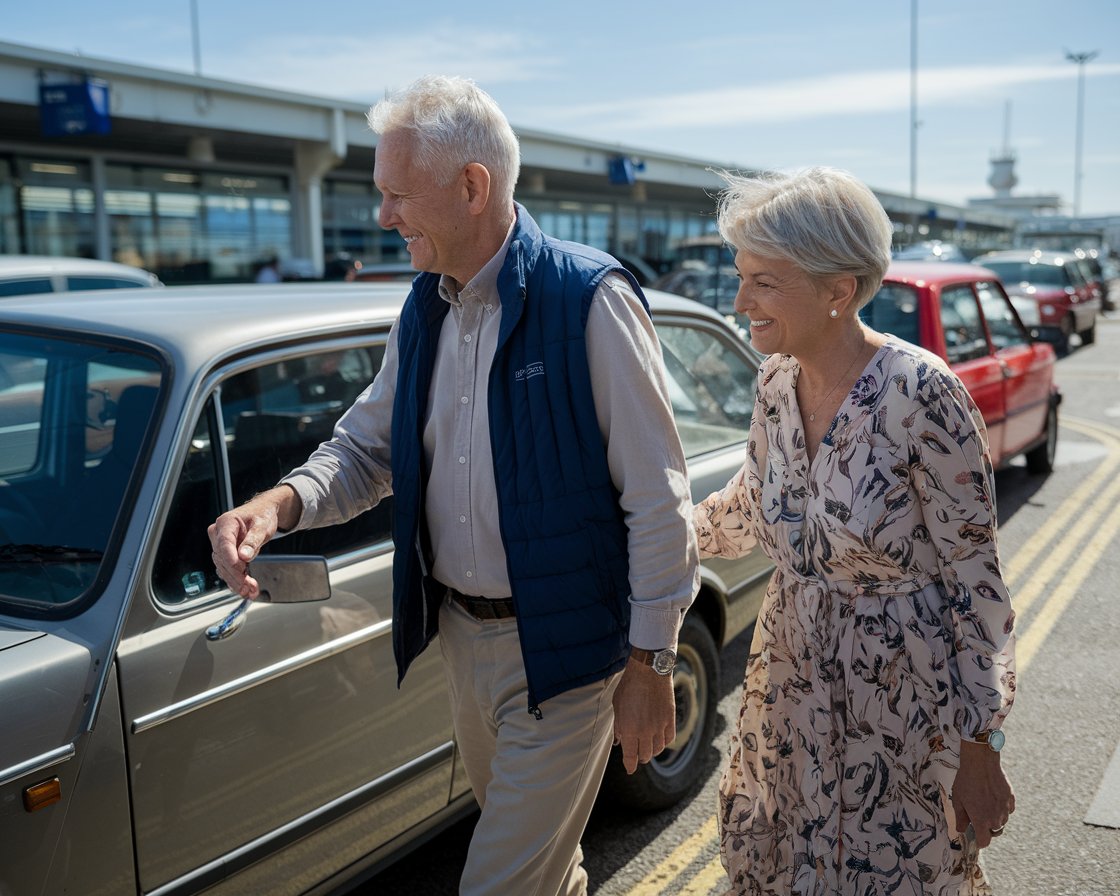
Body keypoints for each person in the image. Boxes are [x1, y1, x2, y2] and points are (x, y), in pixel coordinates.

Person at [208, 75, 698, 896]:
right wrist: (276, 505)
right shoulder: (423, 307)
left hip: (569, 656)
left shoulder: (590, 300)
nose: (384, 216)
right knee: (548, 872)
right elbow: (367, 449)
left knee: (500, 885)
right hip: (464, 643)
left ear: (472, 187)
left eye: (397, 195)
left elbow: (658, 498)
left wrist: (651, 661)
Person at [692, 167, 1016, 895]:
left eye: (764, 282)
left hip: (900, 710)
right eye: (742, 277)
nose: (740, 301)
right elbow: (752, 503)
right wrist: (655, 537)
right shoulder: (775, 380)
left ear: (839, 290)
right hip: (789, 692)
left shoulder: (923, 394)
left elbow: (977, 586)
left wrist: (981, 744)